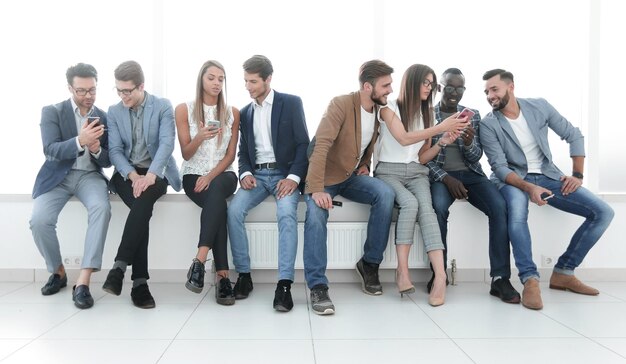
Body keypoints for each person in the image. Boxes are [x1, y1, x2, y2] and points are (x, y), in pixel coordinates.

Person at [480, 69, 614, 310]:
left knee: (603, 212)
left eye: (494, 89)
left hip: (548, 175)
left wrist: (577, 175)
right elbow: (499, 167)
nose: (490, 95)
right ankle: (530, 279)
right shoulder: (489, 124)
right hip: (512, 180)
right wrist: (528, 187)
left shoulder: (539, 107)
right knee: (518, 213)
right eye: (487, 92)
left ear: (511, 87)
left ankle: (564, 271)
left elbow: (573, 135)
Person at [304, 60, 396, 315]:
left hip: (350, 176)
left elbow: (365, 143)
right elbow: (321, 145)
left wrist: (364, 164)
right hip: (324, 178)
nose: (390, 89)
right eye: (385, 85)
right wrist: (316, 189)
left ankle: (369, 263)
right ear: (368, 86)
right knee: (314, 214)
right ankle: (317, 285)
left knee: (385, 193)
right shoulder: (341, 104)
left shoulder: (378, 110)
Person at [374, 64, 468, 307]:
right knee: (409, 203)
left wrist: (443, 142)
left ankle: (440, 276)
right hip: (388, 171)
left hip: (417, 172)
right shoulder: (388, 108)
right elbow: (404, 138)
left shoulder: (429, 115)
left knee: (428, 210)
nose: (429, 88)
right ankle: (402, 271)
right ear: (412, 82)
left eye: (431, 84)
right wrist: (441, 128)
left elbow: (422, 157)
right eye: (426, 83)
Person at [426, 68, 520, 304]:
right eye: (449, 87)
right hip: (441, 176)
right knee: (437, 208)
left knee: (499, 207)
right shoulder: (427, 115)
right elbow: (422, 158)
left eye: (459, 88)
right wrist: (446, 178)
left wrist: (468, 143)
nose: (454, 92)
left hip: (471, 175)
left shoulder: (473, 115)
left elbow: (476, 157)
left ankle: (500, 278)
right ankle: (439, 274)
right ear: (440, 88)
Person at [227, 55, 309, 312]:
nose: (248, 87)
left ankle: (284, 285)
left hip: (285, 175)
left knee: (286, 214)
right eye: (245, 81)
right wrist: (245, 173)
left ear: (268, 79)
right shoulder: (246, 113)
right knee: (233, 211)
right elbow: (243, 153)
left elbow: (303, 144)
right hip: (258, 177)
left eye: (252, 81)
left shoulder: (291, 103)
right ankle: (244, 275)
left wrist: (294, 178)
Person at [29, 63, 111, 309]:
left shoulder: (104, 117)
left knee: (102, 209)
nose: (88, 96)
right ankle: (58, 271)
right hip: (58, 177)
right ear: (70, 88)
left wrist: (96, 149)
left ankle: (83, 281)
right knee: (39, 220)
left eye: (92, 90)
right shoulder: (52, 112)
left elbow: (109, 159)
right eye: (82, 91)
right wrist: (79, 141)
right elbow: (50, 150)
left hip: (90, 176)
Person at [102, 60, 182, 309]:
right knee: (142, 207)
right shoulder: (114, 112)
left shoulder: (162, 107)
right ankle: (139, 284)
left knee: (143, 201)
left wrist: (151, 175)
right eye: (119, 90)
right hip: (126, 174)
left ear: (141, 86)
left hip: (156, 173)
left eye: (128, 91)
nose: (123, 96)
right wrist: (133, 175)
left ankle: (119, 268)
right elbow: (114, 150)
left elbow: (167, 144)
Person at [176, 60, 240, 305]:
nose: (216, 83)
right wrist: (200, 137)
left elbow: (230, 155)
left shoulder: (232, 113)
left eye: (221, 79)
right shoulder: (184, 109)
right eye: (211, 77)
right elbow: (186, 154)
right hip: (193, 174)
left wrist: (211, 176)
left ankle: (199, 260)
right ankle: (223, 278)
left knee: (216, 191)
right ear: (201, 80)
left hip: (223, 174)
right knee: (219, 206)